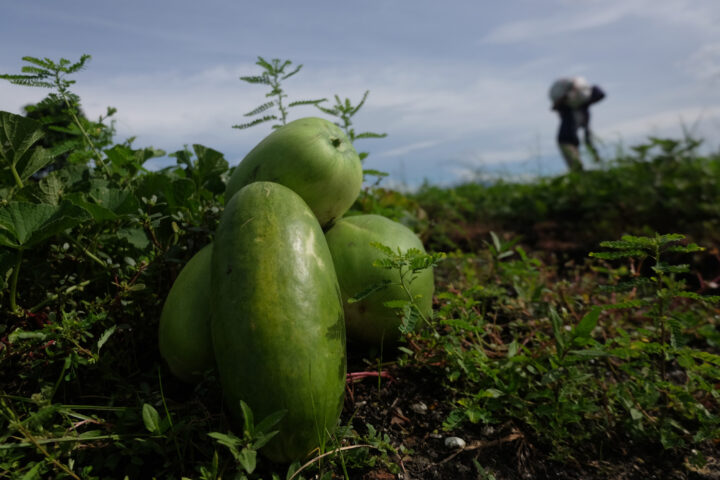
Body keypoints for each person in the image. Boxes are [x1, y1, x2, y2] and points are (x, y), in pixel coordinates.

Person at [549, 77, 606, 172]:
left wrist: (594, 153)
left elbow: (600, 93)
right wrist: (570, 90)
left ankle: (580, 184)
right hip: (565, 141)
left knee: (578, 169)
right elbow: (555, 107)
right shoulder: (567, 108)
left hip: (574, 142)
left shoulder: (584, 109)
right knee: (577, 168)